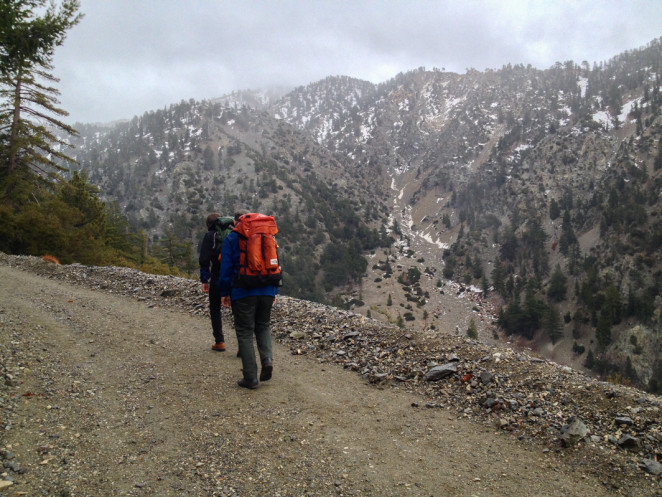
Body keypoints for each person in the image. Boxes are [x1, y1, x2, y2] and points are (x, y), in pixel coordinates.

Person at [219, 210, 278, 389]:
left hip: (243, 290)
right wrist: (273, 291)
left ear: (238, 223)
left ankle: (250, 377)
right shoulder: (268, 236)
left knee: (245, 331)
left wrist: (224, 293)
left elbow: (226, 269)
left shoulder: (232, 238)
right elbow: (275, 264)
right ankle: (267, 359)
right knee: (263, 325)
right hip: (268, 288)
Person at [199, 212, 230, 352]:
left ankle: (220, 341)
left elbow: (204, 260)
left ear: (209, 225)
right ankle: (243, 345)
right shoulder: (232, 233)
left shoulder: (210, 236)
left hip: (217, 275)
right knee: (238, 310)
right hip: (233, 277)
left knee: (215, 308)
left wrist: (204, 279)